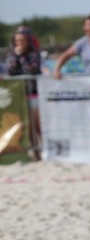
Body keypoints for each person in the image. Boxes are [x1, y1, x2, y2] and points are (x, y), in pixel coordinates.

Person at [5, 26, 42, 160]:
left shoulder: (34, 54)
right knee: (27, 126)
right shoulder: (11, 54)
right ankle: (34, 153)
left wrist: (21, 56)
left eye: (22, 40)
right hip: (20, 94)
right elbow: (10, 70)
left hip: (34, 92)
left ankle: (42, 150)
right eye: (17, 40)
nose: (19, 43)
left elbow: (31, 69)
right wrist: (17, 55)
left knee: (37, 124)